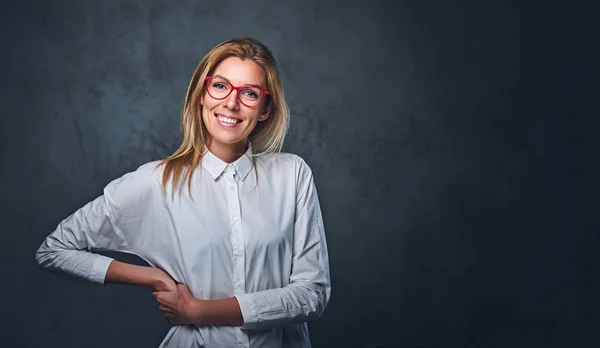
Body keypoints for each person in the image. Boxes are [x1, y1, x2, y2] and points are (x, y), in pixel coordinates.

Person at [36, 37, 331, 348]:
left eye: (249, 93)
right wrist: (152, 277)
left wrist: (198, 310)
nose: (231, 102)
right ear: (201, 95)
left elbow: (312, 294)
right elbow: (54, 250)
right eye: (220, 86)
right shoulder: (157, 181)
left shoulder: (292, 174)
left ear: (265, 110)